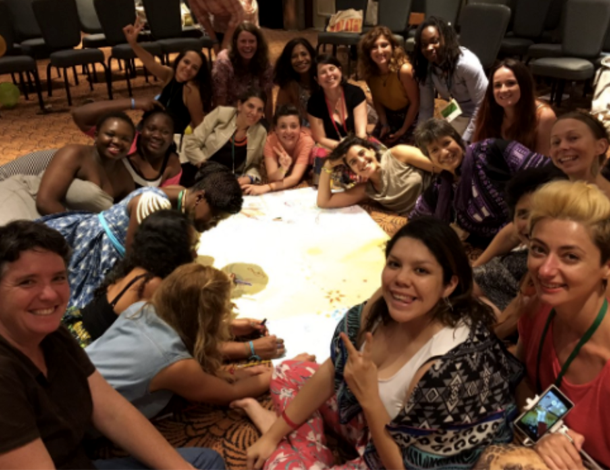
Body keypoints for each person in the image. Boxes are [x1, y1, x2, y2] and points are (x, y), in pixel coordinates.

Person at [239, 217, 523, 470]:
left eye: (421, 271)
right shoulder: (381, 307)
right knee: (287, 371)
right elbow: (334, 368)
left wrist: (370, 398)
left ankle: (296, 450)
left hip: (398, 456)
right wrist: (273, 435)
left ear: (449, 285)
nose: (401, 279)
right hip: (372, 426)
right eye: (394, 264)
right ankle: (296, 446)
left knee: (280, 463)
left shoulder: (452, 366)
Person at [0, 220, 225, 469]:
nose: (50, 294)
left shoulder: (52, 335)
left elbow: (112, 411)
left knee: (205, 461)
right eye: (27, 282)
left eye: (58, 278)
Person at [85, 263, 282, 420]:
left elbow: (186, 328)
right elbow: (231, 392)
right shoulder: (176, 364)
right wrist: (279, 372)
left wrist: (228, 329)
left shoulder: (141, 308)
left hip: (77, 375)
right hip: (83, 419)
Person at [39, 162, 243, 309]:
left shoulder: (183, 194)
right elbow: (139, 266)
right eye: (215, 218)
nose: (213, 225)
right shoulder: (153, 204)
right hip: (95, 252)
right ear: (199, 198)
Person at [516, 180, 610, 468]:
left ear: (606, 265)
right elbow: (522, 381)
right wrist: (546, 431)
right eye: (539, 249)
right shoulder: (539, 310)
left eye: (570, 256)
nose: (545, 270)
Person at [410, 118, 548, 246]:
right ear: (430, 158)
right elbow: (415, 222)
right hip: (491, 249)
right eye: (434, 150)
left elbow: (545, 169)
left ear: (457, 140)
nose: (444, 152)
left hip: (531, 230)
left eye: (446, 143)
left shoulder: (489, 151)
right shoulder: (440, 189)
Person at [0, 112, 136, 226]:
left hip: (59, 222)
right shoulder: (75, 154)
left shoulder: (124, 179)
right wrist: (83, 229)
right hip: (25, 198)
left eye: (125, 139)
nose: (117, 141)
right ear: (96, 135)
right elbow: (45, 202)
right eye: (110, 134)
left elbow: (127, 217)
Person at [472, 167, 560, 315]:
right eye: (523, 215)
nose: (530, 224)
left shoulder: (556, 268)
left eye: (541, 214)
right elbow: (511, 234)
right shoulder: (521, 258)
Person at [123, 17, 212, 134]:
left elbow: (199, 124)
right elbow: (151, 63)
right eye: (186, 62)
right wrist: (133, 44)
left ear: (198, 73)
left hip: (165, 138)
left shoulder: (191, 89)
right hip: (149, 126)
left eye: (194, 68)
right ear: (178, 61)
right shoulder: (170, 74)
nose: (188, 68)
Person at [317, 134, 435, 215]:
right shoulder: (367, 190)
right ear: (353, 171)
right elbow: (324, 202)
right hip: (426, 218)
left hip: (441, 196)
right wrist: (329, 164)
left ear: (371, 150)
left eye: (362, 153)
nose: (361, 161)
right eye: (353, 162)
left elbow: (440, 166)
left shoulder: (398, 154)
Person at [73, 100, 183, 187]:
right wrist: (133, 103)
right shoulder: (124, 139)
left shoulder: (171, 164)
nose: (157, 136)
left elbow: (164, 202)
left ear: (172, 136)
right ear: (141, 129)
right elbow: (79, 114)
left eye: (165, 132)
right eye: (151, 128)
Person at [413, 16, 488, 142]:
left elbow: (482, 106)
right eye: (424, 45)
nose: (429, 48)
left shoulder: (466, 65)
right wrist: (419, 138)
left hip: (481, 115)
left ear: (446, 38)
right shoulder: (426, 67)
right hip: (454, 111)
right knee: (434, 141)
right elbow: (426, 108)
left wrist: (465, 140)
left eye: (434, 41)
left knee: (456, 146)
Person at [182, 88, 268, 188]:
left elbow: (254, 165)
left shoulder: (261, 132)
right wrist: (206, 168)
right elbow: (191, 143)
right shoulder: (221, 114)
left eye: (259, 110)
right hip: (199, 172)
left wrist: (250, 177)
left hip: (228, 182)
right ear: (240, 105)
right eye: (250, 106)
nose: (254, 113)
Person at [473, 59, 557, 155]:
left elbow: (542, 161)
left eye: (510, 83)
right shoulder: (489, 110)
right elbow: (477, 151)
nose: (503, 90)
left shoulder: (544, 116)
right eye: (497, 85)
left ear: (524, 85)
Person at [358, 26, 419, 145]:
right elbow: (377, 100)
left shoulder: (404, 70)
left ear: (393, 47)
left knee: (401, 152)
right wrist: (384, 123)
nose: (380, 51)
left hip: (410, 118)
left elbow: (415, 103)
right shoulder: (369, 73)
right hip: (388, 117)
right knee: (371, 147)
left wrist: (403, 130)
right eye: (374, 47)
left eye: (384, 45)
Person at [243, 105, 314, 195]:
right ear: (276, 129)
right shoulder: (270, 140)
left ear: (300, 128)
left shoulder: (306, 142)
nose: (288, 131)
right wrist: (282, 169)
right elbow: (272, 177)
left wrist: (266, 187)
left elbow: (294, 178)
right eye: (283, 126)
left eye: (293, 126)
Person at [307, 55, 367, 156]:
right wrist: (344, 149)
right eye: (323, 72)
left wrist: (353, 150)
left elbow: (361, 134)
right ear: (317, 79)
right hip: (332, 148)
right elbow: (320, 138)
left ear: (340, 70)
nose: (329, 74)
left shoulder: (356, 93)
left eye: (332, 69)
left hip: (359, 145)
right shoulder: (314, 102)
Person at [212, 22, 273, 120]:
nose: (247, 45)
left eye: (251, 41)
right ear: (235, 42)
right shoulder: (224, 63)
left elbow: (268, 96)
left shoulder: (264, 62)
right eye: (243, 41)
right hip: (229, 116)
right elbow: (219, 100)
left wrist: (269, 125)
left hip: (254, 115)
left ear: (258, 43)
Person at [550, 112, 610, 196]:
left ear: (601, 146)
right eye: (556, 142)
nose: (562, 146)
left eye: (573, 138)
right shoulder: (546, 197)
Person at [273, 38, 318, 125]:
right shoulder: (288, 86)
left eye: (304, 54)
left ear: (312, 56)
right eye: (294, 56)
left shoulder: (322, 77)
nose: (300, 59)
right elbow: (279, 118)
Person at [188, 0, 259, 53]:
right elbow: (202, 17)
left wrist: (224, 45)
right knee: (223, 53)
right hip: (221, 18)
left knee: (244, 49)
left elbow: (238, 14)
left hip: (242, 14)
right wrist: (215, 42)